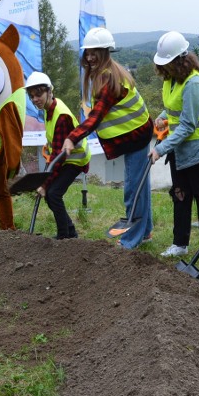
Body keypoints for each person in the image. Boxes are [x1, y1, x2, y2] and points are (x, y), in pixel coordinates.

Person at [62, 27, 154, 249]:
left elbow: (94, 118)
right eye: (87, 52)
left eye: (95, 52)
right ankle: (146, 231)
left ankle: (131, 241)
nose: (90, 57)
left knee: (133, 188)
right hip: (135, 133)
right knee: (140, 185)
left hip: (137, 136)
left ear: (106, 53)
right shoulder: (104, 74)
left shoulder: (109, 79)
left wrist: (71, 138)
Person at [149, 32, 199, 262]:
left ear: (180, 60)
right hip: (179, 151)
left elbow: (188, 125)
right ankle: (180, 243)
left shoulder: (194, 82)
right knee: (180, 195)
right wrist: (161, 116)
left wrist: (160, 149)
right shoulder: (171, 80)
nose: (163, 69)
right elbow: (172, 109)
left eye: (167, 64)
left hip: (198, 151)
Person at [25, 71, 90, 239]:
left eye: (38, 94)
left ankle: (63, 237)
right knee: (51, 194)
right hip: (62, 157)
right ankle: (70, 232)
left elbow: (59, 158)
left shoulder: (61, 116)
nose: (35, 99)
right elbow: (55, 146)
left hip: (74, 159)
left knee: (53, 193)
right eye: (32, 96)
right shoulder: (49, 108)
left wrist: (44, 184)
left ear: (49, 92)